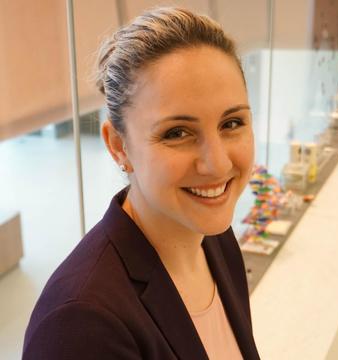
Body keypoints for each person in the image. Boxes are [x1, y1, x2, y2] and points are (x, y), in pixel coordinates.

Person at [23, 7, 260, 360]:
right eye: (177, 132)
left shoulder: (216, 241)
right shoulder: (81, 324)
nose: (218, 164)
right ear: (118, 145)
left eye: (231, 123)